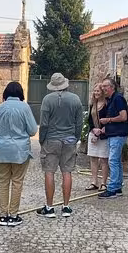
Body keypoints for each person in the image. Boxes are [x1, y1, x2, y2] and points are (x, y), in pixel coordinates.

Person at [36, 73, 83, 218]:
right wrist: (75, 137)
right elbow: (79, 122)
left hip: (51, 139)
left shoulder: (47, 100)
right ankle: (66, 206)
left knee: (49, 172)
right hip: (69, 139)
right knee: (67, 171)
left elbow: (43, 123)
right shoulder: (75, 99)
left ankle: (49, 207)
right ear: (66, 84)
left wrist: (41, 139)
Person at [0, 82, 38, 227]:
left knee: (3, 182)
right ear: (20, 93)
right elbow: (32, 130)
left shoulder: (0, 108)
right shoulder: (25, 107)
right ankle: (13, 215)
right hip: (19, 150)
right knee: (17, 182)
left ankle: (3, 214)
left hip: (1, 150)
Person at [98, 77, 128, 199]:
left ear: (112, 87)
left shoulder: (118, 99)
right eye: (103, 86)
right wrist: (107, 127)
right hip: (113, 134)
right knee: (116, 161)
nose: (103, 88)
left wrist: (108, 120)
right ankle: (117, 187)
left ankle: (112, 189)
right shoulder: (111, 99)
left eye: (105, 86)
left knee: (112, 161)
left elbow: (123, 117)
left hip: (118, 135)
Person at [86, 84, 109, 191]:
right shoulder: (92, 104)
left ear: (102, 92)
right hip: (94, 133)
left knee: (104, 159)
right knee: (93, 158)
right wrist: (93, 129)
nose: (96, 93)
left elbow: (109, 118)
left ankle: (104, 183)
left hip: (104, 135)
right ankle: (94, 181)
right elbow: (89, 119)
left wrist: (103, 129)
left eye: (98, 91)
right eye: (95, 91)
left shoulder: (107, 104)